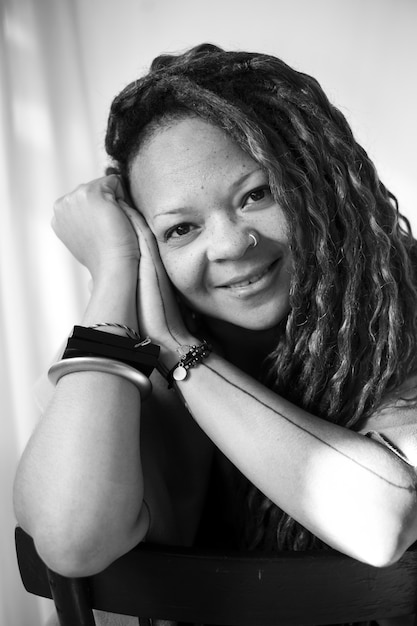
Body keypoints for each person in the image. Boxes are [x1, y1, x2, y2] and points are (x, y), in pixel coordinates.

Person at [14, 43, 417, 625]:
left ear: (317, 183)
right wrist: (112, 273)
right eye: (181, 229)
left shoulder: (400, 317)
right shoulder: (120, 364)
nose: (229, 246)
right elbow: (70, 539)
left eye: (256, 194)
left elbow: (381, 521)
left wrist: (185, 353)